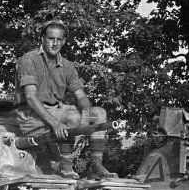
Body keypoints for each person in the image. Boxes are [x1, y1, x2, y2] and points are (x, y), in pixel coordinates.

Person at [14, 19, 116, 179]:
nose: (54, 43)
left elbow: (81, 96)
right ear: (42, 39)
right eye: (50, 38)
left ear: (63, 41)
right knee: (71, 117)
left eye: (59, 39)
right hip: (31, 115)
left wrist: (86, 112)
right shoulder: (29, 60)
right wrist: (55, 123)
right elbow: (30, 97)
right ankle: (65, 166)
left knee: (99, 113)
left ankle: (96, 164)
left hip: (57, 110)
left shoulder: (67, 66)